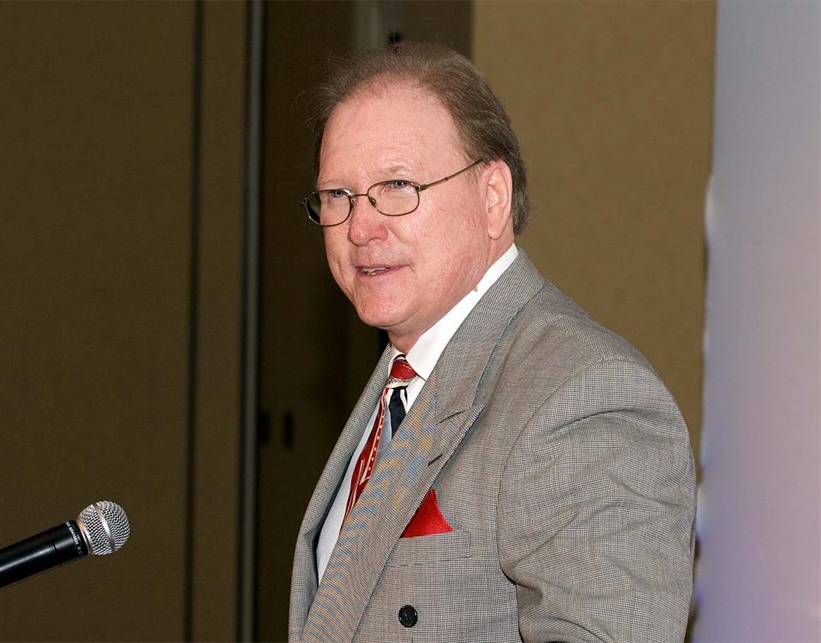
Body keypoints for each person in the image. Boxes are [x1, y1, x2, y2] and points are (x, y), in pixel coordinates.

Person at [288, 42, 696, 643]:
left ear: (492, 198)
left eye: (397, 185)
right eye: (338, 196)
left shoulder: (587, 397)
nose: (359, 227)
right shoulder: (403, 376)